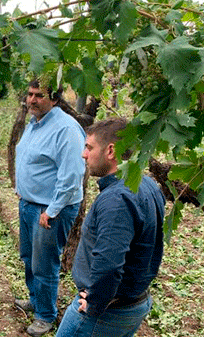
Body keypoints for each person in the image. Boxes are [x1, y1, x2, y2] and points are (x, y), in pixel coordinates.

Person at [55, 118, 166, 337]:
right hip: (134, 303)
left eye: (89, 147)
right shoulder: (147, 185)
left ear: (111, 151)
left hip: (107, 313)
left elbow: (109, 263)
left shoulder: (116, 200)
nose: (83, 154)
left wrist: (94, 303)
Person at [14, 79, 86, 337]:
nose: (32, 100)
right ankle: (36, 300)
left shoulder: (66, 129)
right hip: (30, 204)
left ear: (54, 99)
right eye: (30, 94)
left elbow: (72, 175)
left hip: (49, 209)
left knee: (45, 264)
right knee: (28, 258)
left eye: (39, 95)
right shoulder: (35, 123)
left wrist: (51, 210)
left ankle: (45, 316)